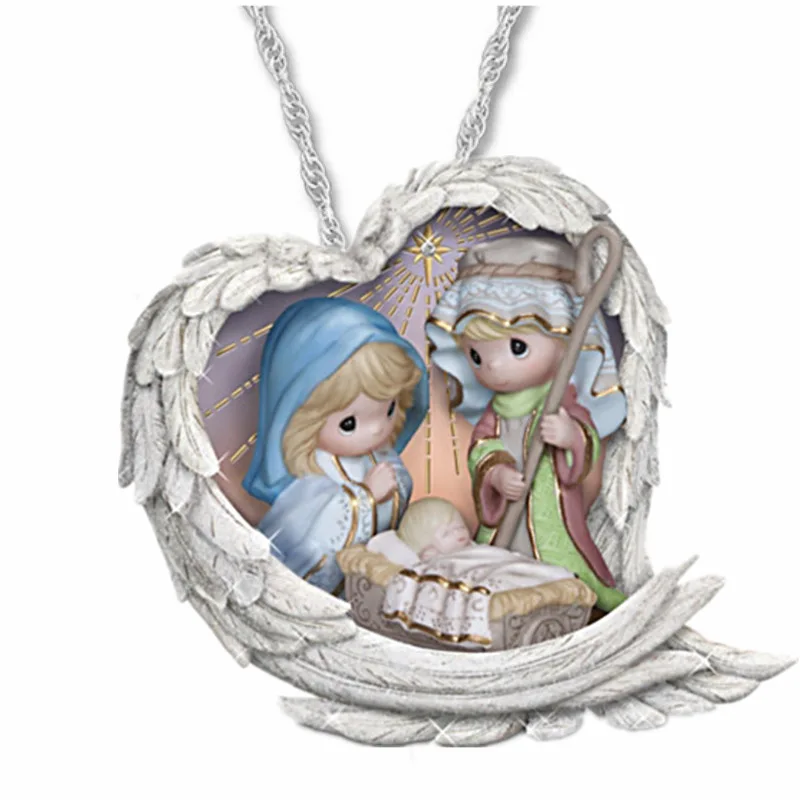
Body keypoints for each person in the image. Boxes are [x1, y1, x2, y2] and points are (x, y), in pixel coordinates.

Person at [425, 232, 628, 611]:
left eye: (517, 348)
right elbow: (482, 447)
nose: (494, 366)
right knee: (490, 567)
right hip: (506, 514)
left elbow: (585, 438)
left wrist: (569, 436)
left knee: (561, 566)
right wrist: (496, 473)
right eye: (476, 355)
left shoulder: (559, 401)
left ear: (562, 342)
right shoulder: (496, 411)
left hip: (549, 513)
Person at [243, 297, 428, 594]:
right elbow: (307, 542)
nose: (377, 429)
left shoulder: (378, 455)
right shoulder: (313, 474)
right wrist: (366, 498)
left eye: (389, 409)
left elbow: (398, 491)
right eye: (349, 423)